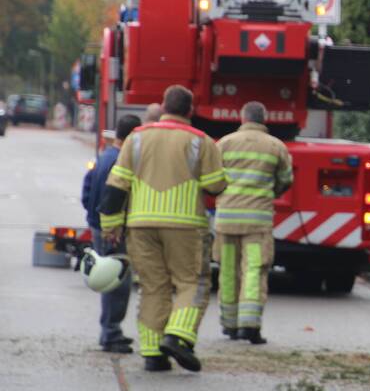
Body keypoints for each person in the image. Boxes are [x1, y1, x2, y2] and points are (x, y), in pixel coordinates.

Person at [99, 85, 227, 372]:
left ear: (163, 106)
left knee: (152, 287)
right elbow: (217, 184)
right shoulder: (201, 141)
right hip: (185, 226)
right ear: (190, 110)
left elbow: (116, 185)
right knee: (192, 282)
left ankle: (153, 354)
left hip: (140, 225)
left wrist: (111, 226)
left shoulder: (136, 138)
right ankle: (177, 337)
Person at [214, 101, 293, 344]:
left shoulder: (223, 144)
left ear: (243, 117)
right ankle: (249, 326)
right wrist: (270, 193)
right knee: (253, 270)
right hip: (256, 222)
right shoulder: (275, 146)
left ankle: (229, 324)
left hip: (226, 220)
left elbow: (213, 178)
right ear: (264, 119)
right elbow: (285, 180)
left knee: (227, 270)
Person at [81, 114, 142, 353]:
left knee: (112, 281)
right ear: (133, 136)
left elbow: (87, 192)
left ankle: (110, 330)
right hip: (112, 230)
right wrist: (112, 226)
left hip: (99, 225)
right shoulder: (121, 162)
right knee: (117, 283)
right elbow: (115, 197)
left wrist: (94, 220)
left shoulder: (103, 157)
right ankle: (111, 333)